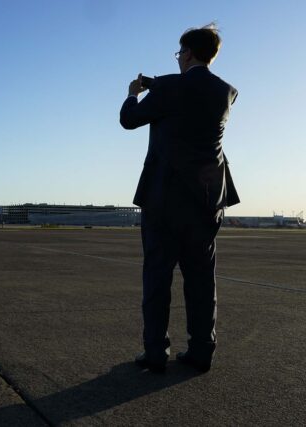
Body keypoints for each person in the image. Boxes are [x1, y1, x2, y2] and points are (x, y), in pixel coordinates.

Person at [119, 23, 239, 373]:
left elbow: (130, 119)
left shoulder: (171, 88)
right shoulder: (227, 92)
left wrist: (133, 92)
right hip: (206, 199)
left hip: (164, 198)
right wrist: (160, 82)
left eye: (179, 53)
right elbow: (189, 90)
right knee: (202, 278)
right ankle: (202, 350)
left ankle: (156, 352)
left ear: (186, 53)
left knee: (157, 277)